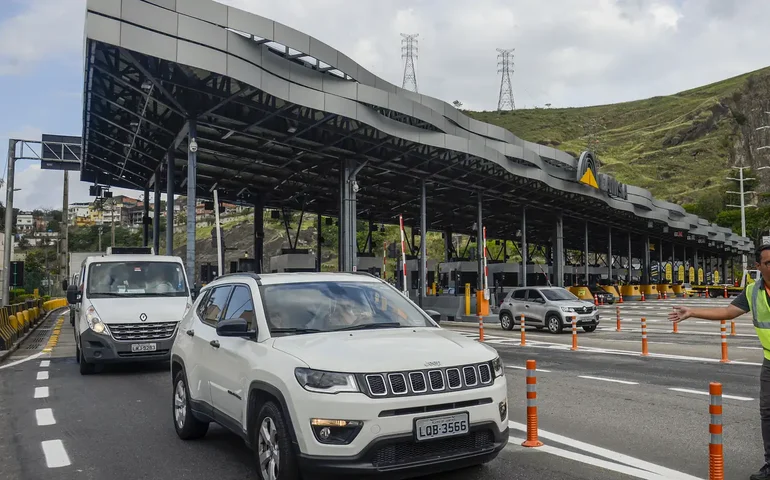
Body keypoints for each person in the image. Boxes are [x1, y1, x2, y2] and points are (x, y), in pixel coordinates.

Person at [669, 244, 770, 480]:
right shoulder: (752, 292)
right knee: (768, 415)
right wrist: (692, 312)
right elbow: (727, 312)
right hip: (769, 362)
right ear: (758, 267)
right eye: (768, 263)